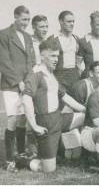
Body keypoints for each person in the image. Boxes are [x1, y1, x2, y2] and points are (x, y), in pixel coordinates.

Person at [21, 39, 86, 173]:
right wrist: (34, 126)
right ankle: (23, 159)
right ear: (42, 56)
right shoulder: (36, 75)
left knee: (87, 116)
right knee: (48, 169)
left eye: (57, 56)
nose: (56, 59)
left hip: (58, 118)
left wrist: (86, 109)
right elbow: (26, 99)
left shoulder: (52, 74)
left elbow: (65, 97)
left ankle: (90, 153)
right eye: (52, 56)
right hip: (45, 123)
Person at [0, 5, 34, 172]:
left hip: (25, 84)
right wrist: (18, 82)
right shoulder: (4, 34)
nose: (26, 23)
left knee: (22, 119)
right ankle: (8, 160)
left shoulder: (28, 37)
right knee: (13, 119)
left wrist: (27, 81)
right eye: (23, 20)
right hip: (11, 85)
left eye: (28, 20)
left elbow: (31, 62)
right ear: (15, 17)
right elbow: (4, 62)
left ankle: (20, 154)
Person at [27, 15, 49, 157]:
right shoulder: (29, 41)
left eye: (46, 26)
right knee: (31, 112)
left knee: (44, 110)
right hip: (32, 78)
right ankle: (32, 149)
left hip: (46, 79)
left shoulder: (49, 41)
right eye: (42, 26)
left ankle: (46, 145)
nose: (45, 29)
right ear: (34, 27)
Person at [48, 11, 81, 97]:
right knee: (60, 103)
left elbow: (79, 59)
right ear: (61, 22)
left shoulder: (76, 38)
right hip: (60, 76)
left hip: (74, 76)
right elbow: (48, 61)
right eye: (69, 21)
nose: (72, 24)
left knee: (75, 102)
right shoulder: (53, 39)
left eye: (73, 21)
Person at [77, 11, 99, 79]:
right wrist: (83, 76)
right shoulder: (84, 41)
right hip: (90, 77)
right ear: (91, 24)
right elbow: (77, 63)